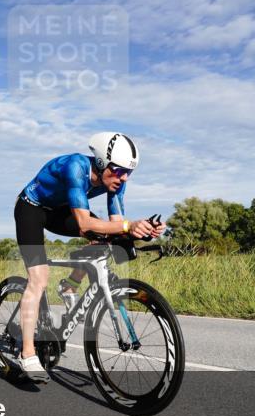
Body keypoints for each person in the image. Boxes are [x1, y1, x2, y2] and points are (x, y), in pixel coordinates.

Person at [14, 132, 165, 381]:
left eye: (129, 172)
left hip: (61, 210)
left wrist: (144, 231)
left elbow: (117, 224)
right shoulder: (76, 167)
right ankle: (27, 353)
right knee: (39, 278)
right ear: (102, 163)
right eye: (119, 170)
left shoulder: (117, 181)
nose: (124, 178)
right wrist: (128, 226)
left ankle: (69, 285)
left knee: (105, 237)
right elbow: (84, 224)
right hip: (32, 208)